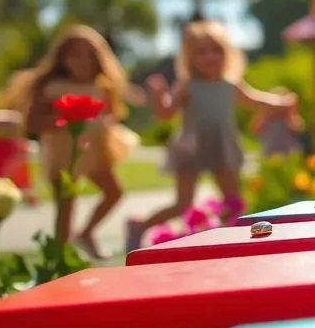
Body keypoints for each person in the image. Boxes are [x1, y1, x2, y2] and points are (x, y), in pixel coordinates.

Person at [127, 20, 297, 249]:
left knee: (233, 201)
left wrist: (281, 102)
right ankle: (140, 225)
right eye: (200, 53)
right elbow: (166, 113)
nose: (209, 57)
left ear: (227, 54)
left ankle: (232, 242)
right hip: (191, 147)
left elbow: (255, 99)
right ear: (190, 59)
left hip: (222, 146)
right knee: (182, 205)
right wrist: (158, 96)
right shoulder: (187, 85)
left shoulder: (230, 85)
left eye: (215, 50)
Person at [4, 25, 144, 258]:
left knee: (114, 192)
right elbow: (33, 122)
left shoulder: (102, 86)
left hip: (94, 152)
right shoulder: (50, 87)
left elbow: (110, 114)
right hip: (62, 156)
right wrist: (65, 118)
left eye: (89, 55)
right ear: (62, 58)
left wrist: (104, 121)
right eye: (75, 55)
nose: (82, 61)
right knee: (65, 211)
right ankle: (58, 263)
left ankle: (86, 233)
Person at [251, 86, 305, 156]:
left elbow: (298, 129)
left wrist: (290, 112)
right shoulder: (267, 118)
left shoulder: (290, 118)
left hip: (288, 152)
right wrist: (265, 112)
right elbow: (255, 130)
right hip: (270, 152)